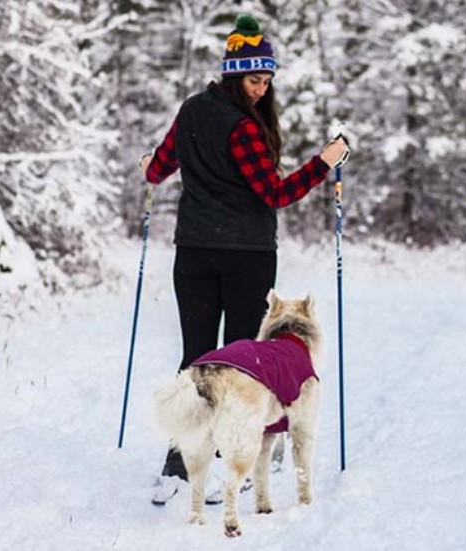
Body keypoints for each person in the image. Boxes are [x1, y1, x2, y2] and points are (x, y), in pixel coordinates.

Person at [140, 13, 349, 505]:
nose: (262, 87)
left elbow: (157, 169)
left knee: (196, 354)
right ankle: (219, 458)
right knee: (238, 361)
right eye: (256, 78)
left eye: (268, 79)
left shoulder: (192, 110)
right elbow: (274, 194)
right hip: (245, 257)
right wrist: (324, 163)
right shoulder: (245, 130)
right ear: (235, 74)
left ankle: (180, 462)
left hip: (192, 252)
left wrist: (149, 166)